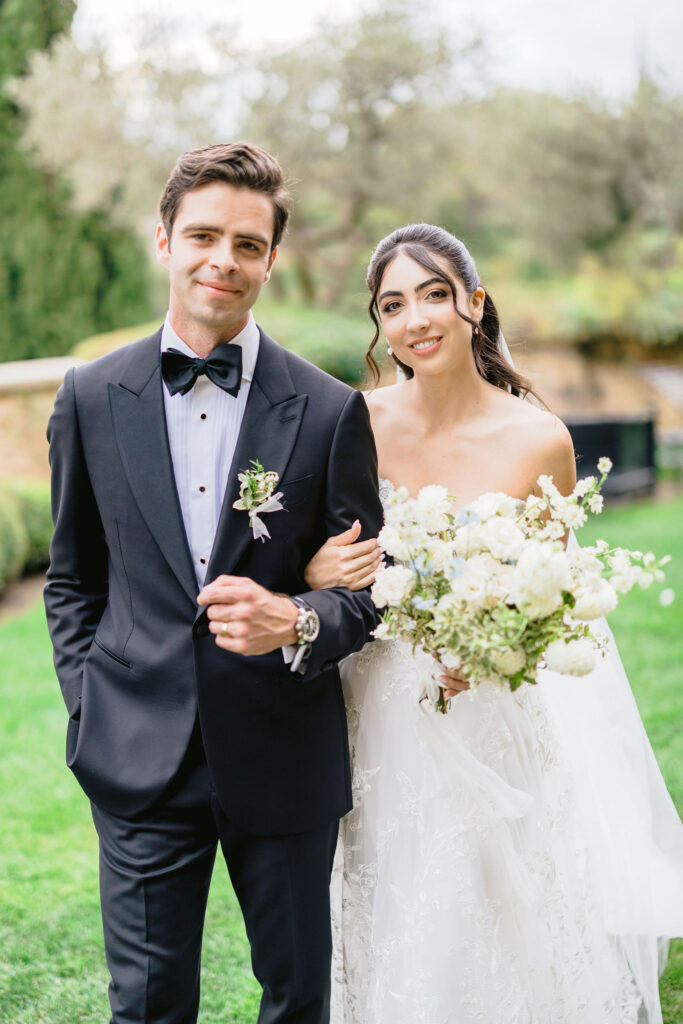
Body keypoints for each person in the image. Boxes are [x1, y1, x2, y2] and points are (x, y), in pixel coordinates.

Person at [302, 223, 683, 1023]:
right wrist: (313, 574)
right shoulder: (352, 423)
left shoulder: (538, 438)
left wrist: (496, 647)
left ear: (473, 302)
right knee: (394, 883)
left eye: (435, 294)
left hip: (491, 708)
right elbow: (325, 562)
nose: (416, 320)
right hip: (377, 709)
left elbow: (554, 600)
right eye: (393, 304)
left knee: (500, 889)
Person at [43, 142, 383, 1024]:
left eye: (246, 243)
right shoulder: (88, 396)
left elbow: (366, 593)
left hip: (282, 752)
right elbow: (72, 579)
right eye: (202, 235)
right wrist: (90, 704)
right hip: (135, 754)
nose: (221, 261)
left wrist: (295, 618)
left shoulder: (330, 408)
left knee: (297, 999)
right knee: (147, 1006)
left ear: (272, 258)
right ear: (163, 239)